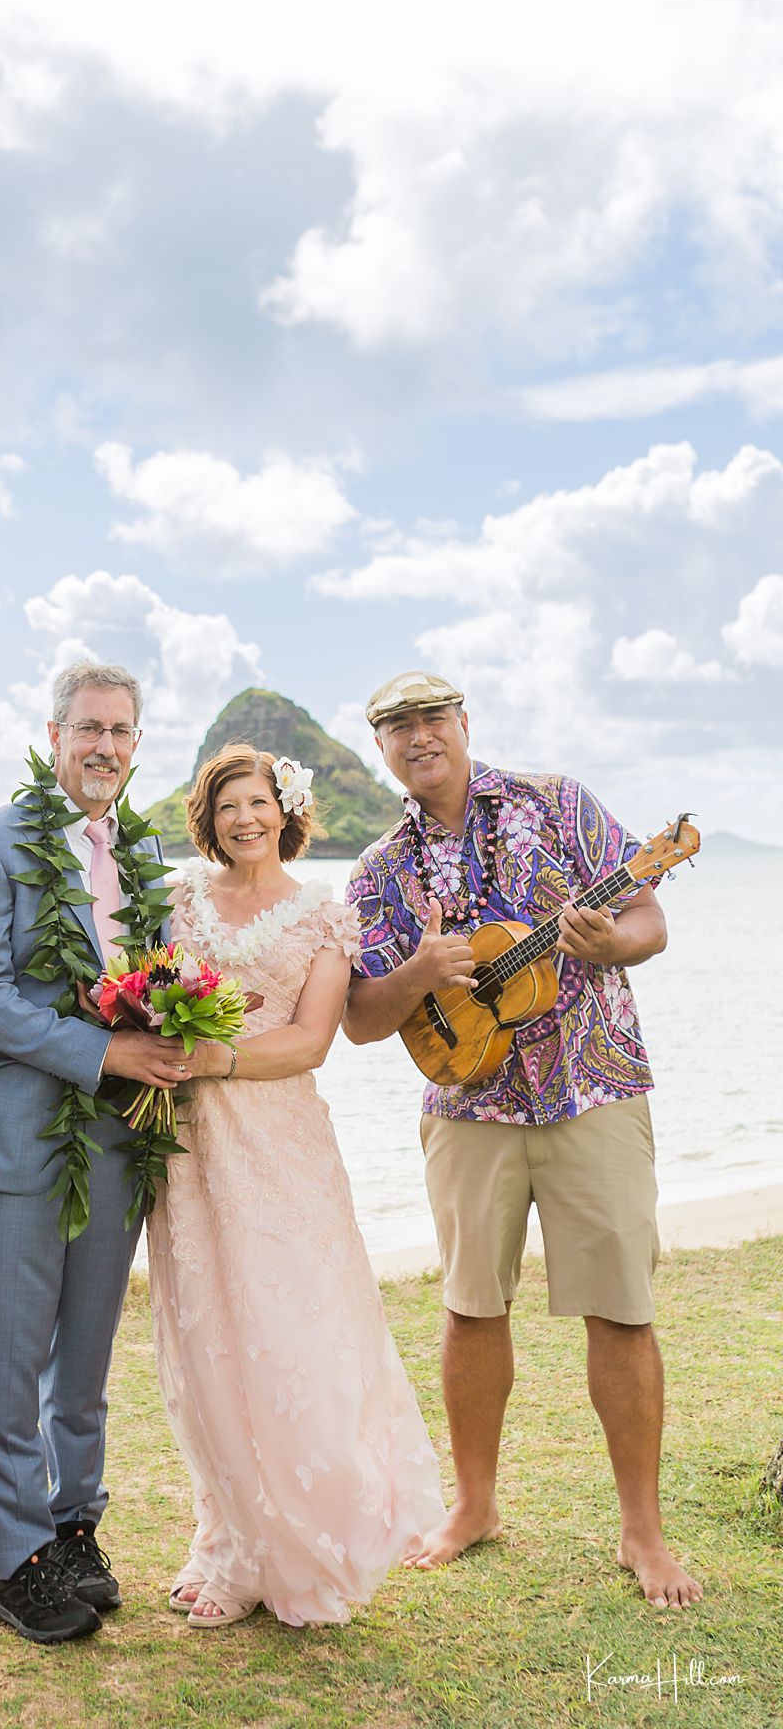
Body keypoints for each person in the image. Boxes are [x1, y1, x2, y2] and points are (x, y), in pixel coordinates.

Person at [343, 669, 703, 1611]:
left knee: (623, 1309)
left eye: (433, 718)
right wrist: (423, 967)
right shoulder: (380, 871)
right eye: (398, 727)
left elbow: (648, 913)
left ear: (463, 723)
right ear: (380, 748)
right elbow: (362, 1020)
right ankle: (474, 1507)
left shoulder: (561, 803)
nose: (420, 737)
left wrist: (611, 945)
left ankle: (642, 1532)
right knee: (469, 1309)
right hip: (467, 1108)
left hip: (595, 1086)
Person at [147, 743, 446, 1628]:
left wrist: (215, 1055)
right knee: (206, 1334)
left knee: (290, 1331)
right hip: (190, 1150)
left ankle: (303, 1541)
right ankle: (232, 1539)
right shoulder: (178, 901)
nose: (245, 819)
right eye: (228, 805)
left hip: (279, 1145)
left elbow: (314, 1040)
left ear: (286, 809)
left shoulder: (324, 915)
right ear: (209, 817)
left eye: (258, 802)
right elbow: (147, 995)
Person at [0, 661, 190, 1644]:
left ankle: (74, 1528)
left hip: (117, 1143)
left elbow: (158, 980)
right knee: (8, 1370)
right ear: (53, 737)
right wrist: (107, 1051)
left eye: (122, 732)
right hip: (17, 1147)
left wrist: (179, 1029)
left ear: (135, 744)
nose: (105, 747)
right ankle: (15, 1563)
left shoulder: (140, 855)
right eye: (89, 728)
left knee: (81, 1367)